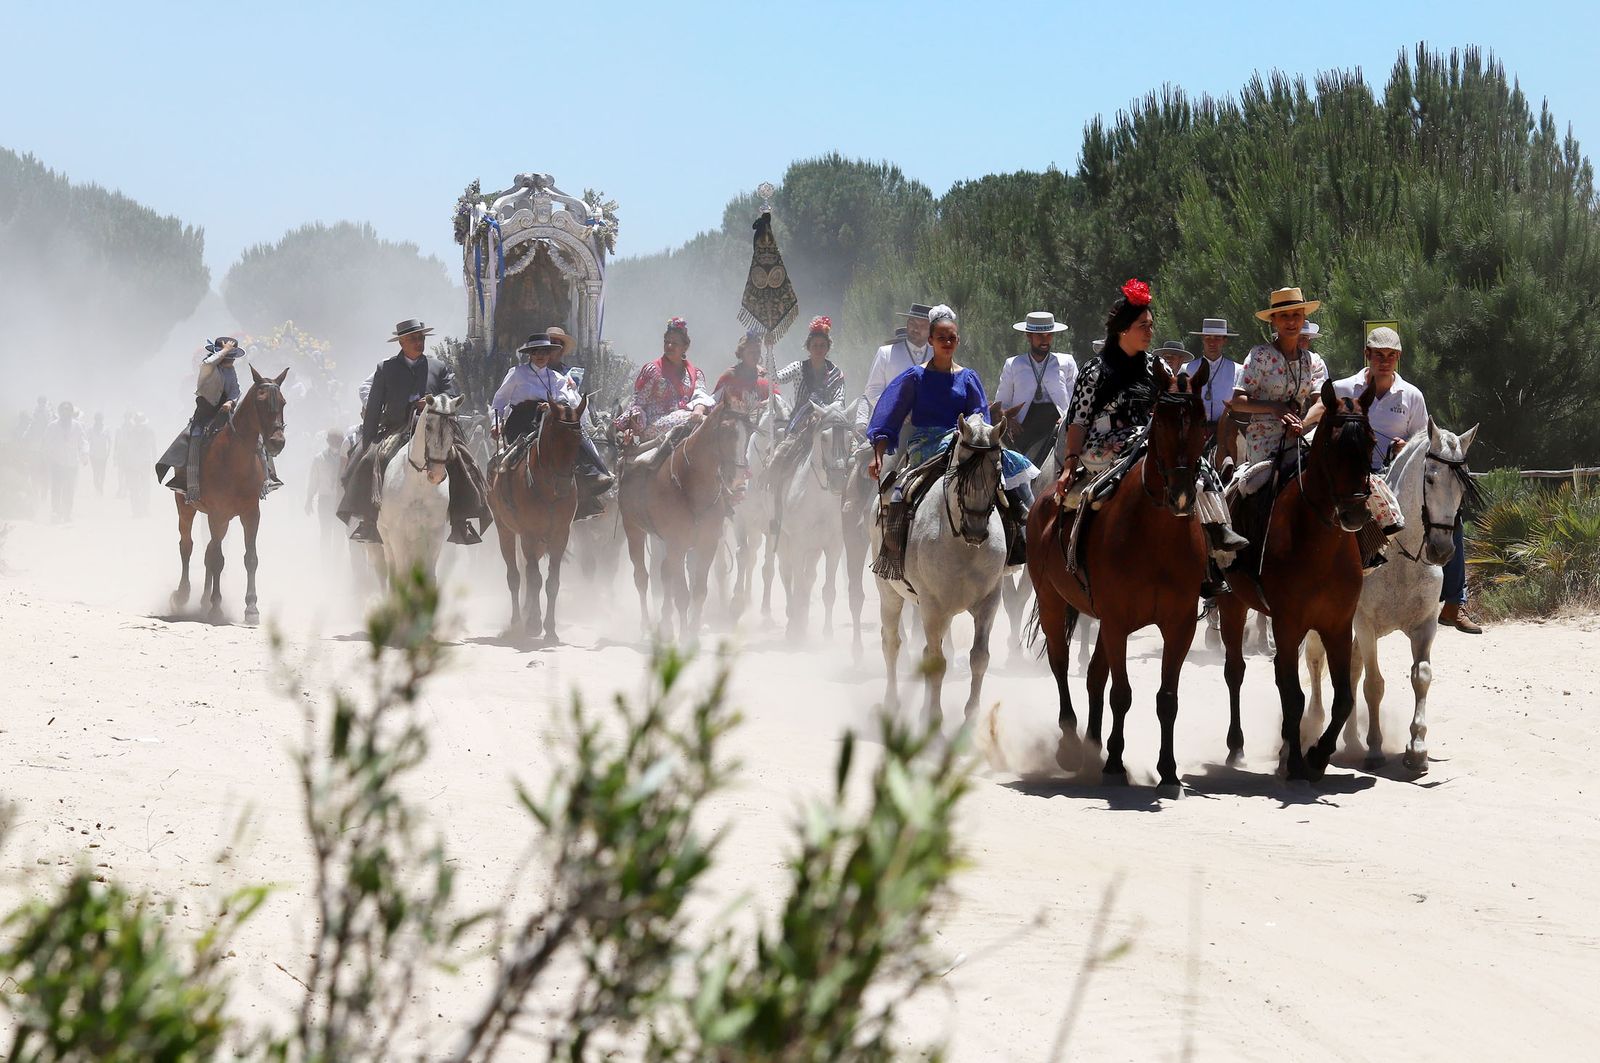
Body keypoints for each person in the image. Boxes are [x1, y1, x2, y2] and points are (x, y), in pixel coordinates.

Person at [1053, 279, 1247, 594]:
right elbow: (1078, 420)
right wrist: (1069, 463)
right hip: (1104, 444)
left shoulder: (1155, 367)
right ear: (1122, 329)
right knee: (1104, 487)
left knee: (1199, 468)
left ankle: (1216, 543)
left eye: (1151, 325)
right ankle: (1083, 553)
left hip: (1145, 439)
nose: (1149, 331)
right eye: (1143, 325)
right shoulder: (1095, 371)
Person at [867, 304, 1037, 567]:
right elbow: (889, 416)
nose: (947, 342)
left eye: (952, 338)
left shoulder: (968, 378)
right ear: (931, 340)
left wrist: (977, 437)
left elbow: (979, 416)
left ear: (958, 340)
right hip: (926, 442)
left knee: (1006, 471)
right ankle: (895, 546)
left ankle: (1021, 537)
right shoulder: (915, 377)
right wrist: (877, 455)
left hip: (963, 441)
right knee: (901, 490)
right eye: (941, 337)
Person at [337, 318, 490, 546]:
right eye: (413, 338)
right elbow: (374, 407)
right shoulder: (385, 368)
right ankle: (368, 520)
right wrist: (369, 440)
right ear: (401, 342)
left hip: (434, 428)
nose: (419, 342)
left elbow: (450, 395)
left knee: (462, 461)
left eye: (421, 338)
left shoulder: (438, 367)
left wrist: (432, 403)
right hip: (396, 428)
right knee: (371, 459)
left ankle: (461, 519)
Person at [1300, 325, 1420, 572]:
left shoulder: (1412, 396)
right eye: (1378, 354)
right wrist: (1303, 423)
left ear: (1398, 357)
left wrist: (1406, 447)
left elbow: (1421, 440)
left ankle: (1452, 594)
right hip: (1352, 470)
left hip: (1395, 471)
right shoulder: (1344, 387)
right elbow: (1323, 408)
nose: (1384, 361)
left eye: (1391, 355)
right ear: (1367, 354)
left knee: (1445, 516)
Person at [491, 332, 614, 513]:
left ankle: (594, 475)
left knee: (574, 436)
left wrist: (551, 406)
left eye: (545, 352)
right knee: (513, 457)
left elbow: (567, 401)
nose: (540, 356)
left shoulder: (557, 378)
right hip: (521, 421)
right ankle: (505, 493)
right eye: (536, 352)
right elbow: (499, 400)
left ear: (550, 354)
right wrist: (496, 423)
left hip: (550, 420)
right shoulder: (517, 374)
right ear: (530, 354)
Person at [156, 337, 276, 505]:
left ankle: (267, 478)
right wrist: (224, 350)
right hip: (205, 413)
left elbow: (235, 389)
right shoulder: (207, 367)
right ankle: (190, 485)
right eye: (228, 355)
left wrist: (231, 401)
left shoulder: (231, 371)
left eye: (232, 355)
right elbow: (209, 362)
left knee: (258, 438)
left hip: (227, 413)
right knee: (194, 439)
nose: (231, 359)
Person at [1227, 288, 1329, 468]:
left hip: (1303, 438)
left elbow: (1321, 404)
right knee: (1260, 485)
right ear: (1274, 321)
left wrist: (1301, 424)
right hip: (1264, 441)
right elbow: (1238, 402)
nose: (1291, 321)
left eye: (1296, 314)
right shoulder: (1260, 356)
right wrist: (1275, 408)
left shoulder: (1313, 361)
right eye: (1284, 316)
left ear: (1304, 317)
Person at [995, 311, 1076, 467]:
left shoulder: (1066, 362)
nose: (1045, 340)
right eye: (1040, 336)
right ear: (1028, 335)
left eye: (1049, 335)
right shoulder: (1014, 364)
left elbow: (1076, 398)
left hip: (1058, 424)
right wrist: (1009, 420)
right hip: (1025, 426)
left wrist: (1067, 417)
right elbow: (1002, 403)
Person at [620, 316, 714, 448]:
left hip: (688, 421)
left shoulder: (695, 374)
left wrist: (698, 411)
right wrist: (633, 425)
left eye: (674, 343)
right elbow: (638, 403)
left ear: (685, 347)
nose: (669, 346)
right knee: (689, 418)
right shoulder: (653, 370)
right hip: (655, 424)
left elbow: (700, 395)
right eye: (666, 342)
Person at [862, 303, 933, 414]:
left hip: (929, 423)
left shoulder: (937, 355)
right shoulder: (885, 353)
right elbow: (872, 391)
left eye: (923, 326)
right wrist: (895, 408)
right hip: (893, 422)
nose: (916, 329)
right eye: (912, 323)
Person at [305, 428, 346, 552]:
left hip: (340, 501)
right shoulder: (319, 458)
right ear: (327, 441)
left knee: (339, 534)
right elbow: (313, 481)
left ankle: (337, 562)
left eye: (338, 441)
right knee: (326, 532)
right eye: (333, 441)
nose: (335, 444)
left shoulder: (346, 458)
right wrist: (309, 499)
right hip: (325, 500)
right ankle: (326, 562)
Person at [46, 401, 88, 521]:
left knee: (69, 489)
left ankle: (67, 513)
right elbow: (47, 443)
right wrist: (49, 455)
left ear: (71, 412)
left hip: (71, 464)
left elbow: (83, 441)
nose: (65, 414)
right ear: (60, 412)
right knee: (56, 488)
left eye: (68, 411)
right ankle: (55, 511)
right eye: (63, 411)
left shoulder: (77, 425)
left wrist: (84, 454)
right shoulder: (52, 426)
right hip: (56, 463)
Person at [86, 412, 111, 495]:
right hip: (93, 455)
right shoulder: (90, 430)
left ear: (102, 420)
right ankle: (97, 487)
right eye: (97, 419)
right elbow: (86, 441)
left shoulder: (106, 429)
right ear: (95, 420)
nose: (98, 421)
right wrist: (87, 451)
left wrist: (108, 451)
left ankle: (101, 487)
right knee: (95, 472)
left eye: (100, 419)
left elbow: (110, 441)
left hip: (103, 455)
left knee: (102, 472)